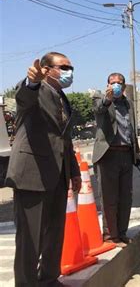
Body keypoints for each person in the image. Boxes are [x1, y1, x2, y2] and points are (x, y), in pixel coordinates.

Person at [4, 52, 82, 286]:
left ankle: (48, 279)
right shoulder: (35, 90)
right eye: (64, 67)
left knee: (54, 234)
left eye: (71, 67)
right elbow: (23, 97)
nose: (69, 72)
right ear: (46, 69)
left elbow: (64, 140)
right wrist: (33, 82)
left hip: (58, 175)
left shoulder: (61, 98)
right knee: (30, 238)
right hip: (32, 174)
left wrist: (75, 171)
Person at [92, 72, 140, 248]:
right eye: (113, 83)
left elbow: (131, 129)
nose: (116, 85)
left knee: (125, 197)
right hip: (108, 155)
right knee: (109, 197)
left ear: (124, 86)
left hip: (126, 154)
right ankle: (110, 236)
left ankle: (121, 233)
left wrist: (136, 153)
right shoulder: (101, 98)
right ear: (107, 85)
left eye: (119, 83)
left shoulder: (129, 104)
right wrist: (107, 99)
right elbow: (98, 110)